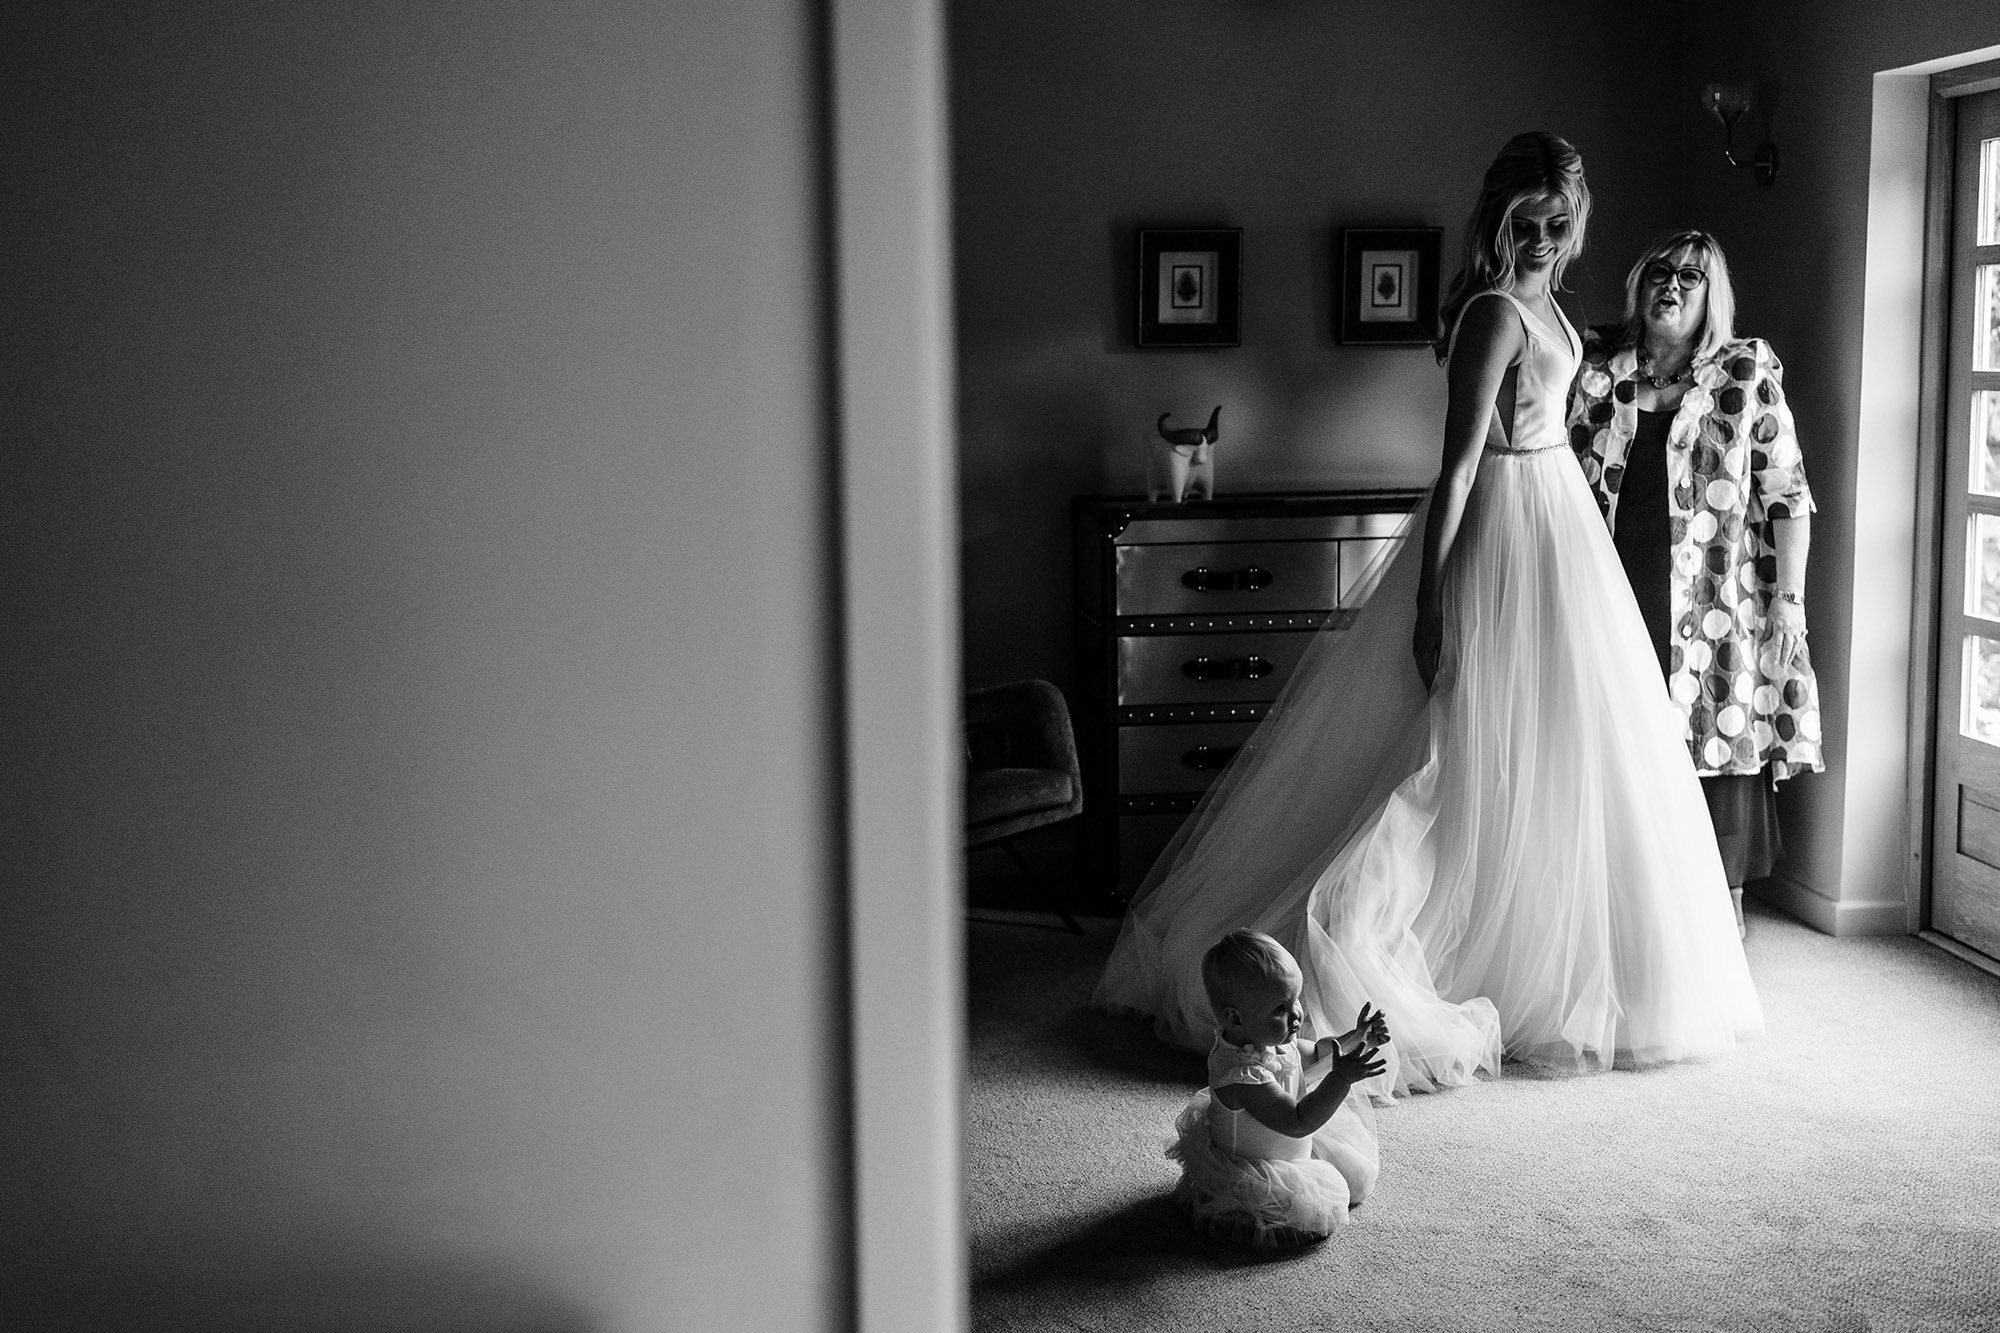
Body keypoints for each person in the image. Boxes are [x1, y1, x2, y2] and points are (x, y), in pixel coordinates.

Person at [1094, 132, 1762, 1093]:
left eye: (1557, 223)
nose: (1539, 239)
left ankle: (1538, 958)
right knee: (1455, 754)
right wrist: (1430, 600)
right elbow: (1453, 471)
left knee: (1562, 751)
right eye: (1523, 223)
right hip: (1503, 529)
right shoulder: (1495, 313)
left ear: (1576, 226)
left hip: (1562, 530)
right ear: (1497, 222)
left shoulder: (1556, 308)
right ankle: (1360, 952)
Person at [1567, 231, 1822, 939]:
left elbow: (1788, 496)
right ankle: (1623, 933)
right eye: (1659, 271)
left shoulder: (1743, 374)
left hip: (1713, 609)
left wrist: (1789, 604)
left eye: (1690, 276)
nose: (1672, 285)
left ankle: (1719, 942)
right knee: (1616, 756)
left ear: (1714, 296)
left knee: (1710, 754)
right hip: (1604, 596)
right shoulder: (1590, 369)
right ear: (1637, 283)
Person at [1166, 930, 1387, 1249]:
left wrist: (1357, 1037)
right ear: (1235, 1018)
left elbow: (1318, 1053)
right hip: (1258, 1170)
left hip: (1290, 1148)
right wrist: (1340, 1080)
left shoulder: (1267, 1037)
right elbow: (1298, 1122)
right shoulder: (1243, 1075)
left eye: (1295, 999)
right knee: (1299, 1211)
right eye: (1280, 1009)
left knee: (1356, 1175)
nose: (1296, 1015)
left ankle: (1312, 1167)